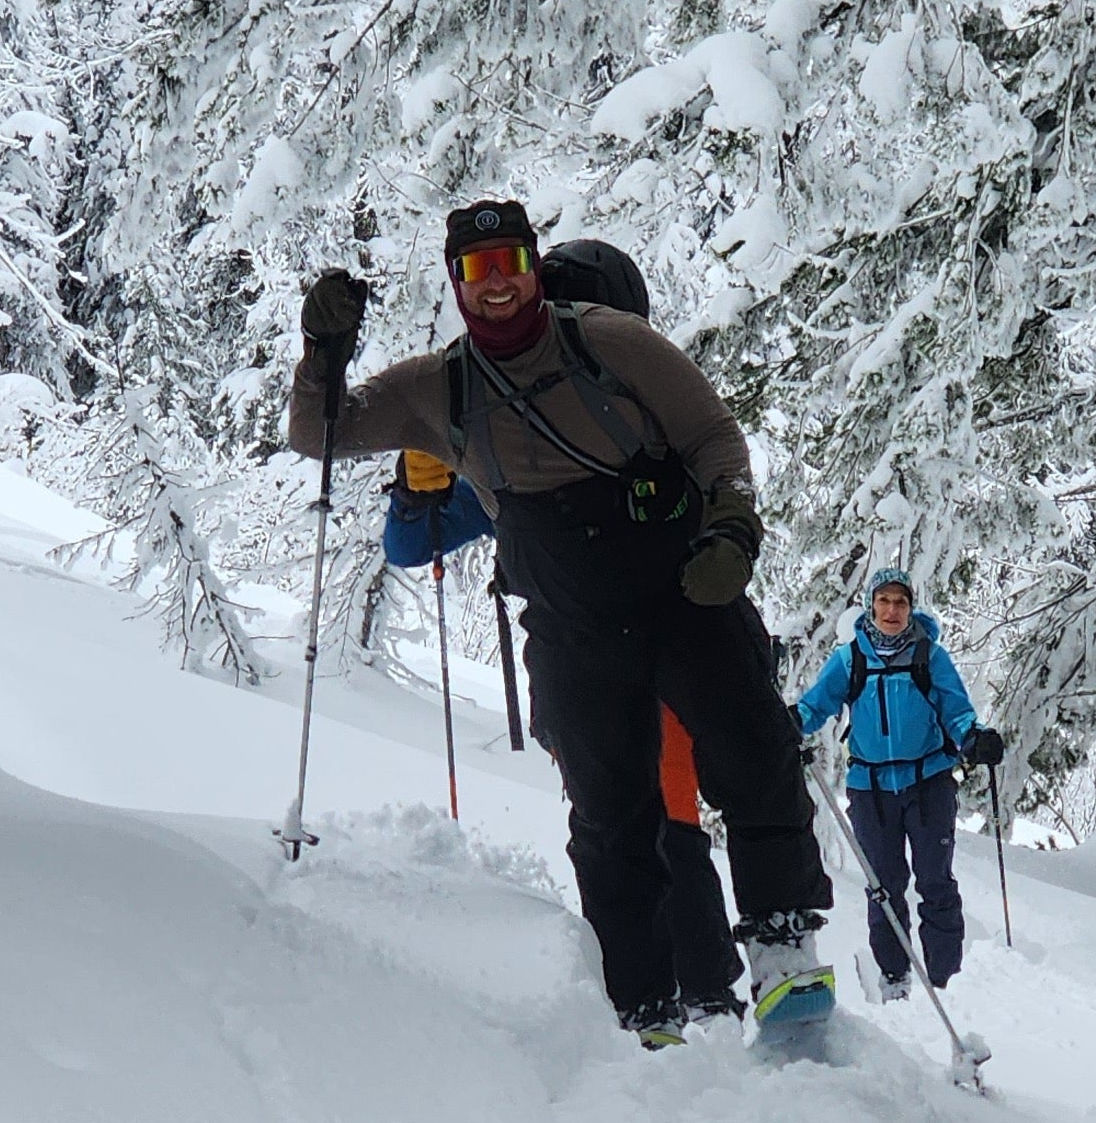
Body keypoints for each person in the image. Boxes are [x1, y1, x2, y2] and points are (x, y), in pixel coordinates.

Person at [290, 205, 831, 1043]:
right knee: (611, 815)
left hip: (683, 590)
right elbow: (316, 435)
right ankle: (641, 1007)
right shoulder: (442, 386)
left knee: (753, 747)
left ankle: (784, 949)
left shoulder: (610, 341)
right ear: (458, 280)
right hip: (573, 626)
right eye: (477, 268)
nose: (497, 280)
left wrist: (732, 530)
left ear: (533, 265)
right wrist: (321, 357)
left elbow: (714, 438)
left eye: (509, 260)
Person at [379, 443, 743, 1020]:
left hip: (644, 657)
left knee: (658, 815)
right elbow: (412, 543)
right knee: (620, 821)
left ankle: (692, 991)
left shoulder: (607, 439)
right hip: (583, 667)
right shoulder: (505, 464)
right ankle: (664, 992)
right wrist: (411, 494)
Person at [796, 569, 1003, 996]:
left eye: (901, 602)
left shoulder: (930, 656)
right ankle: (895, 978)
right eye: (884, 601)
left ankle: (947, 981)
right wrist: (789, 722)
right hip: (869, 789)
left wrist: (973, 738)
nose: (892, 611)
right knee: (884, 887)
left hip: (928, 784)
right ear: (871, 605)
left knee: (935, 881)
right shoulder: (849, 659)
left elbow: (956, 710)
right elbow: (816, 707)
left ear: (912, 607)